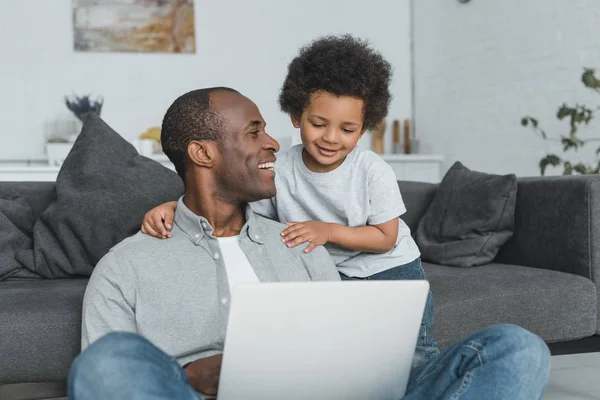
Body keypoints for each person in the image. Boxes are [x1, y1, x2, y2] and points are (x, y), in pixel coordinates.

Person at [69, 87, 550, 400]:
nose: (275, 143)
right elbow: (111, 381)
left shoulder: (298, 241)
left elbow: (342, 346)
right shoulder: (126, 265)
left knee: (516, 348)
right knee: (108, 363)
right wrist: (189, 376)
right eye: (254, 132)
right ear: (202, 153)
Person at [142, 34, 439, 365]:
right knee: (345, 352)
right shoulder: (278, 169)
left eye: (347, 129)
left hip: (391, 270)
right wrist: (175, 207)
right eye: (318, 123)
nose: (330, 138)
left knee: (414, 351)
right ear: (296, 116)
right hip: (330, 273)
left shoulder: (371, 170)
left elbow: (386, 238)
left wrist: (328, 231)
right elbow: (234, 209)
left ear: (364, 128)